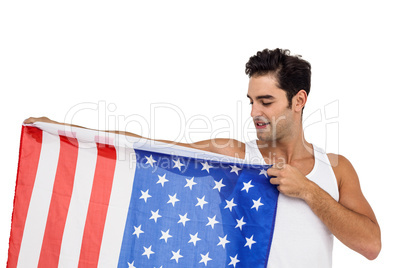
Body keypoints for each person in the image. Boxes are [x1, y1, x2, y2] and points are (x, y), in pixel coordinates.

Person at [24, 48, 381, 267]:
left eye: (267, 102)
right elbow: (151, 146)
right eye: (251, 101)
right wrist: (63, 130)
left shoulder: (335, 168)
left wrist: (307, 191)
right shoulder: (235, 157)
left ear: (299, 100)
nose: (254, 111)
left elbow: (370, 245)